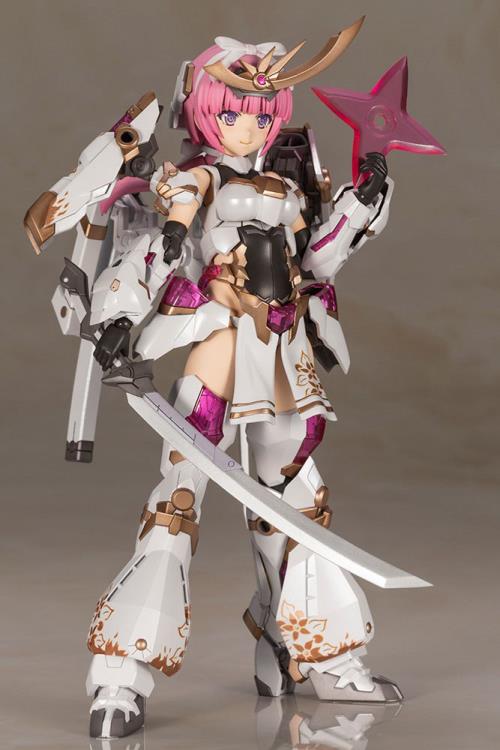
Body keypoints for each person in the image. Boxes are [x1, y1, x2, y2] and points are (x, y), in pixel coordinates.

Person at [26, 21, 401, 740]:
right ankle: (122, 673)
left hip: (282, 357)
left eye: (261, 113)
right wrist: (117, 316)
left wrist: (362, 202)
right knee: (177, 504)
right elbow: (156, 251)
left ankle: (309, 654)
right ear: (202, 110)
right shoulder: (190, 181)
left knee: (296, 508)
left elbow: (315, 262)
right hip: (218, 355)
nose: (247, 126)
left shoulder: (290, 179)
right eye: (232, 112)